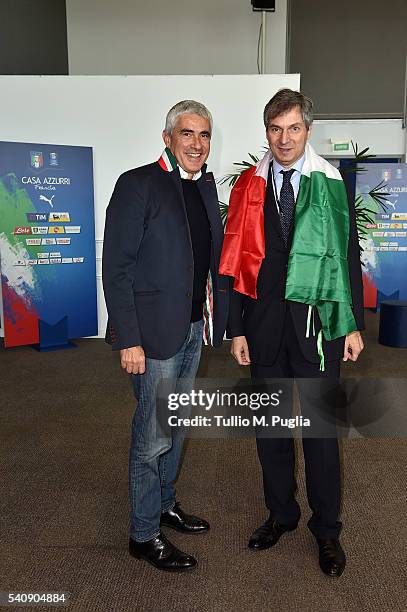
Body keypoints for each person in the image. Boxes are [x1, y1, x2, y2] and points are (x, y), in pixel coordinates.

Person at [219, 88, 364, 578]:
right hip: (262, 331)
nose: (284, 138)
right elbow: (234, 262)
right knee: (271, 431)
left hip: (317, 326)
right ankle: (281, 513)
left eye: (293, 128)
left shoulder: (330, 182)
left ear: (308, 130)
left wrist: (352, 326)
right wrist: (235, 329)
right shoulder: (247, 187)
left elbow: (347, 256)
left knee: (322, 431)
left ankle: (327, 530)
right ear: (267, 133)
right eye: (276, 129)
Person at [102, 100, 229, 572]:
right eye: (188, 134)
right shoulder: (137, 184)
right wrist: (129, 339)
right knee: (152, 434)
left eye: (204, 135)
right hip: (152, 337)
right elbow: (117, 270)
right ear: (168, 137)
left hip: (193, 327)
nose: (197, 144)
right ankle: (143, 532)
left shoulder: (203, 187)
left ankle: (164, 505)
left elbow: (206, 261)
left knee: (175, 425)